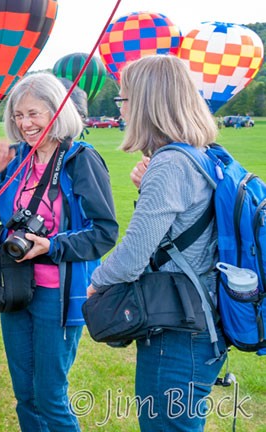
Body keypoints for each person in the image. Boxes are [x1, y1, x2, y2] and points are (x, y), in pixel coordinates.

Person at [0, 72, 118, 432]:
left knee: (50, 395)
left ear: (57, 111)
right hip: (15, 287)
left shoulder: (81, 159)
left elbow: (104, 232)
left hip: (58, 294)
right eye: (18, 115)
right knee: (25, 394)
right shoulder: (15, 158)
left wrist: (52, 245)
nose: (25, 123)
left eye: (34, 113)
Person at [87, 55, 227, 431]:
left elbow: (133, 256)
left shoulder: (169, 164)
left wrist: (96, 281)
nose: (121, 109)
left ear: (147, 102)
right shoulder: (200, 155)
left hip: (178, 331)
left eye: (124, 99)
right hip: (200, 324)